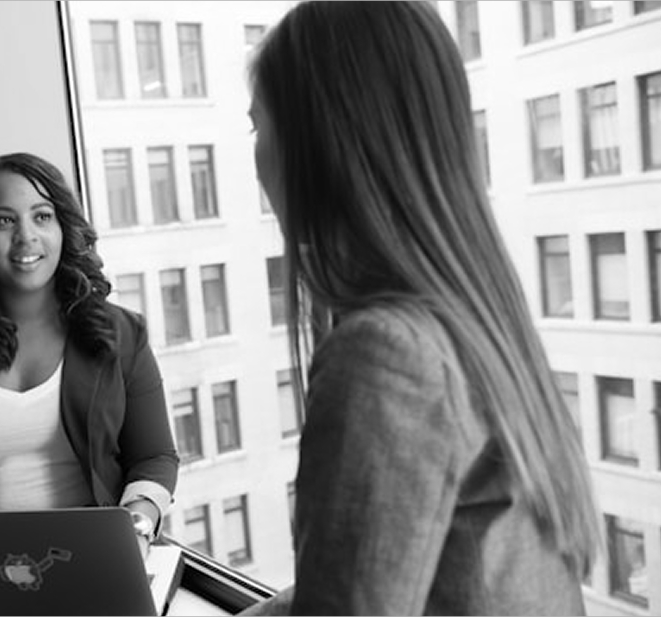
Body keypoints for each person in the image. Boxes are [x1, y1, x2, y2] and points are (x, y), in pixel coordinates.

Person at [244, 1, 600, 614]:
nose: (256, 160)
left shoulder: (385, 355)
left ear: (319, 142)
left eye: (258, 127)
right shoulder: (471, 321)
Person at [0, 152, 178, 550]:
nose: (25, 236)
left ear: (63, 227)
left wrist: (137, 528)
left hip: (102, 554)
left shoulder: (124, 333)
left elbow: (155, 456)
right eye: (4, 220)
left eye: (42, 216)